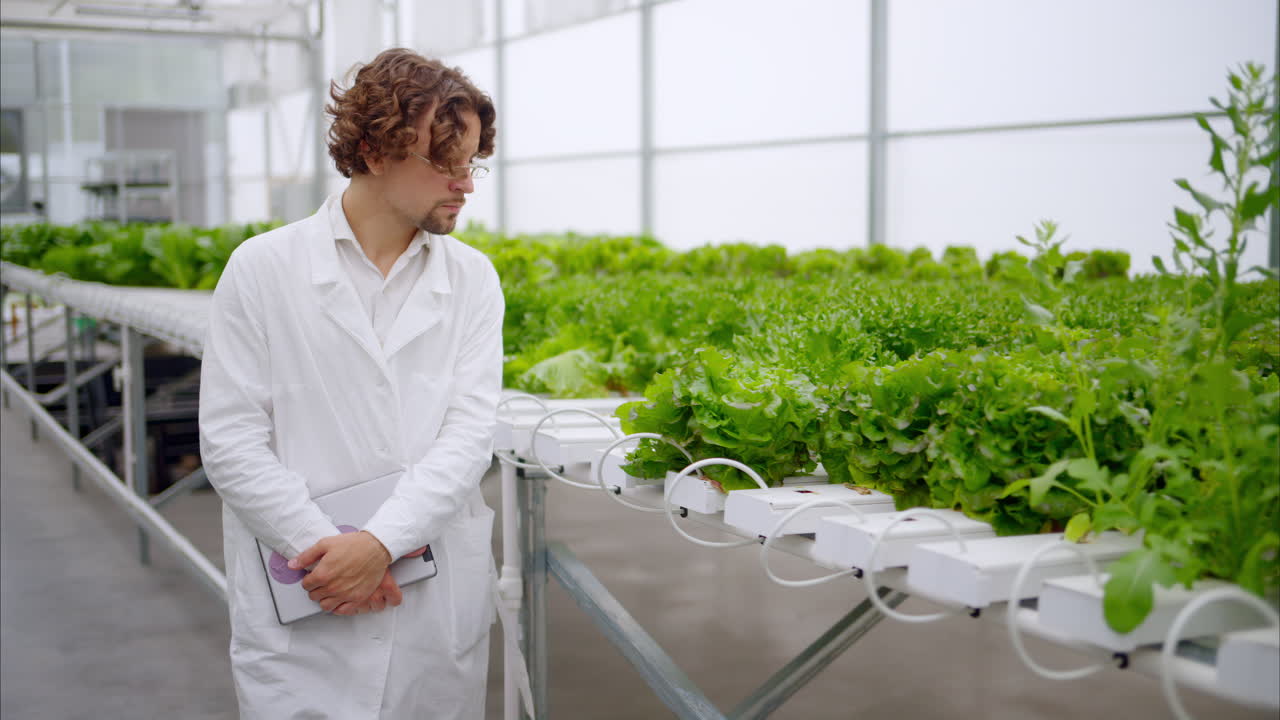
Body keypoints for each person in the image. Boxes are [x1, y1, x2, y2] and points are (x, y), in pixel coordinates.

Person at [198, 48, 502, 719]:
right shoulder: (262, 268)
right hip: (309, 598)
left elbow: (468, 434)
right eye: (444, 163)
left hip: (428, 599)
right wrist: (332, 555)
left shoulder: (474, 280)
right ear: (372, 150)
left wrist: (381, 544)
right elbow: (231, 442)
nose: (466, 185)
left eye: (472, 163)